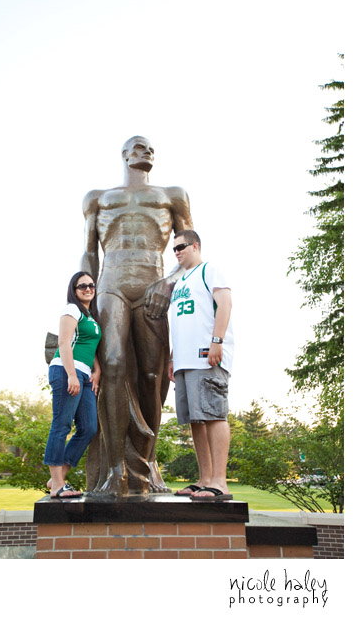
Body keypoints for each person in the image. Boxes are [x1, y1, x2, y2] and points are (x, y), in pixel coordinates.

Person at [81, 136, 194, 495]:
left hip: (152, 283)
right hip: (111, 284)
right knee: (112, 363)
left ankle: (146, 463)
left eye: (151, 148)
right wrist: (82, 302)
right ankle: (115, 470)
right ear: (125, 154)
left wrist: (170, 282)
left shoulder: (172, 195)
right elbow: (88, 254)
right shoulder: (97, 197)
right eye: (139, 146)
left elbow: (189, 250)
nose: (146, 151)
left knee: (151, 376)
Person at [167, 229, 234, 501]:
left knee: (214, 414)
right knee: (196, 419)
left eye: (182, 246)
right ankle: (205, 479)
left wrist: (217, 341)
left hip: (207, 355)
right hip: (184, 360)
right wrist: (172, 357)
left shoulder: (210, 270)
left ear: (196, 246)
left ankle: (219, 481)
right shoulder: (181, 280)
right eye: (174, 249)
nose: (178, 252)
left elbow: (225, 303)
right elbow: (182, 322)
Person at [44, 272, 101, 499]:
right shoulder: (72, 310)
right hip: (66, 371)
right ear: (74, 290)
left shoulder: (91, 317)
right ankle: (58, 485)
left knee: (89, 428)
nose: (88, 288)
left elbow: (91, 346)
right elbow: (64, 343)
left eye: (91, 285)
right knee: (62, 424)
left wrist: (97, 370)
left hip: (85, 375)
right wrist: (71, 375)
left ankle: (57, 477)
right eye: (82, 286)